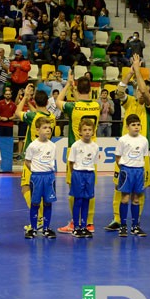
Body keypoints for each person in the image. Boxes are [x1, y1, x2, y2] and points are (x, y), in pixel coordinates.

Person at [104, 54, 150, 233]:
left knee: (139, 192)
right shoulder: (131, 102)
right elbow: (119, 92)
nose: (140, 92)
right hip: (125, 155)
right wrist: (130, 72)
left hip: (141, 157)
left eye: (143, 90)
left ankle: (136, 223)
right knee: (119, 188)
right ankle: (118, 219)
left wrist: (139, 72)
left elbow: (144, 89)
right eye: (138, 90)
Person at [55, 75, 100, 233]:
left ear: (77, 89)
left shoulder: (73, 107)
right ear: (91, 89)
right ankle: (89, 223)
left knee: (74, 189)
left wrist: (68, 85)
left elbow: (57, 101)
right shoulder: (96, 105)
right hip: (91, 149)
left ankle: (75, 223)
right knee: (89, 190)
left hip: (76, 148)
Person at [15, 84, 55, 232]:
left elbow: (17, 112)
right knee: (44, 192)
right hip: (45, 160)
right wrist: (30, 103)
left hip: (32, 158)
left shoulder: (33, 117)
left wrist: (25, 97)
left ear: (36, 102)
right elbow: (38, 114)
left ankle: (38, 218)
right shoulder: (51, 117)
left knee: (26, 187)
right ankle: (43, 220)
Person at [115, 114, 149, 237]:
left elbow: (144, 156)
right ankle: (123, 226)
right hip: (126, 171)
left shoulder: (144, 140)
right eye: (133, 125)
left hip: (139, 171)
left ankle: (135, 226)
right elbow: (118, 157)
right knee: (124, 198)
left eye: (138, 125)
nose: (136, 127)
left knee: (136, 199)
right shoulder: (123, 140)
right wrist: (124, 169)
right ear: (127, 127)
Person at [23, 117, 58, 239]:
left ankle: (46, 228)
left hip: (49, 177)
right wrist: (34, 170)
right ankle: (33, 228)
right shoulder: (32, 145)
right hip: (37, 177)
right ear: (37, 130)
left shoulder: (53, 145)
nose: (48, 130)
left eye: (49, 128)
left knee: (48, 202)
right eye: (45, 128)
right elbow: (27, 161)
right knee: (35, 203)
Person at [68, 118, 98, 239]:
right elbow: (71, 163)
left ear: (93, 132)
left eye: (89, 130)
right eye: (84, 130)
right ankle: (76, 227)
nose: (87, 132)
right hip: (78, 173)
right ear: (80, 131)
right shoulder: (75, 145)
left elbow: (94, 163)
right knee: (78, 200)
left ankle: (84, 226)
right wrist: (75, 174)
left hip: (89, 174)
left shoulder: (95, 146)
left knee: (87, 200)